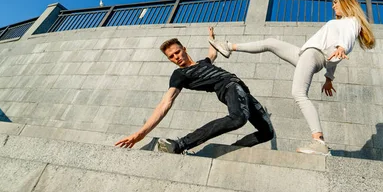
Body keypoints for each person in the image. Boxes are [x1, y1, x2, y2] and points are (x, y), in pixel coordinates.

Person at [209, 0, 375, 155]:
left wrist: (342, 47)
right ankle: (228, 46)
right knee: (270, 43)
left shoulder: (351, 22)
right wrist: (328, 78)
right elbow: (332, 56)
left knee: (299, 93)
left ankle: (319, 141)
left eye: (336, 2)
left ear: (346, 3)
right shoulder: (340, 25)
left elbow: (345, 38)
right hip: (305, 55)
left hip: (312, 55)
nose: (333, 5)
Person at [115, 27, 274, 154]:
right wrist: (141, 133)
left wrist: (211, 38)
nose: (176, 57)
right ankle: (180, 144)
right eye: (171, 56)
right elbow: (166, 102)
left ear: (184, 49)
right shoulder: (180, 74)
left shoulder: (204, 63)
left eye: (177, 52)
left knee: (267, 133)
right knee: (238, 118)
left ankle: (232, 149)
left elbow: (212, 54)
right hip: (229, 88)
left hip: (244, 93)